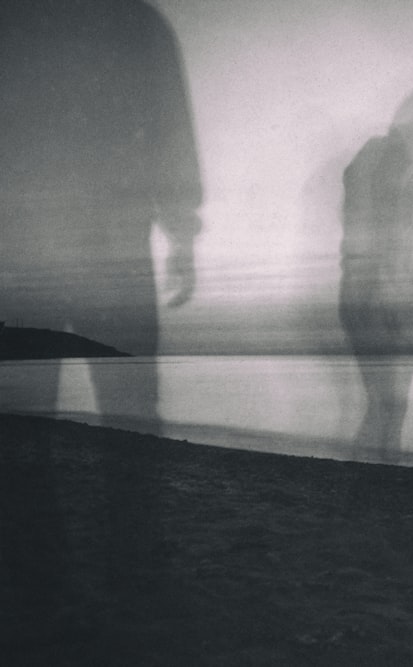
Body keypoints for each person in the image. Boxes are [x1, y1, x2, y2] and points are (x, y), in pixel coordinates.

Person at [0, 0, 202, 640]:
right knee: (131, 415)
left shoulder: (18, 21)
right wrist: (182, 232)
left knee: (27, 425)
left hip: (20, 252)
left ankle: (40, 581)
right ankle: (134, 570)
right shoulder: (134, 21)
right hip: (109, 249)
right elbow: (171, 131)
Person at [339, 87, 413, 462]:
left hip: (375, 297)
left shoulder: (381, 161)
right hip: (380, 299)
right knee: (388, 405)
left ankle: (372, 489)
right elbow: (390, 234)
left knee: (386, 405)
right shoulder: (390, 162)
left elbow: (398, 235)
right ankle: (373, 490)